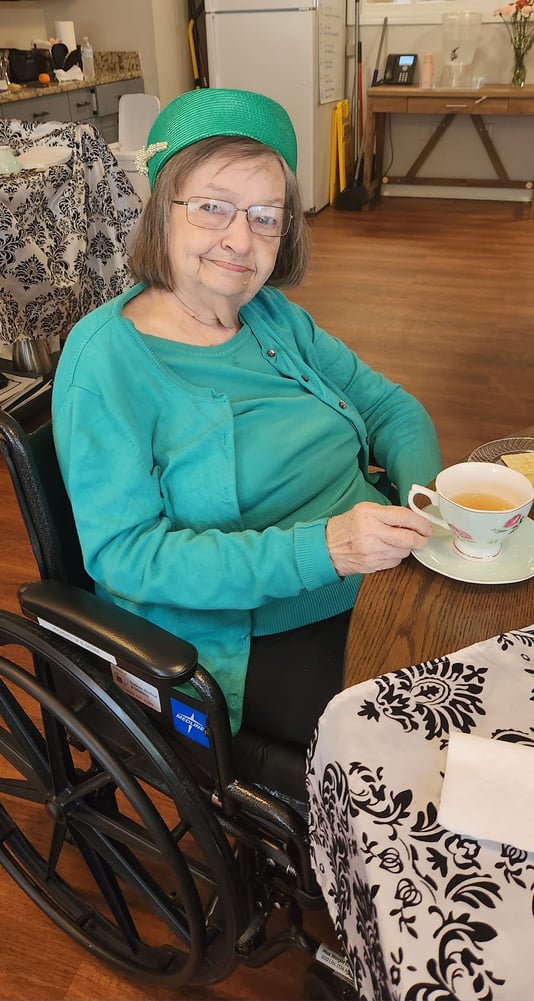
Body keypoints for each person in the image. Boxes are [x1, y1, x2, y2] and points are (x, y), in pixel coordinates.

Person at [52, 88, 442, 746]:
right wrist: (328, 548)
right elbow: (127, 557)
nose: (241, 239)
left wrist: (424, 503)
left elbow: (390, 408)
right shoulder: (106, 363)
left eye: (266, 216)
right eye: (213, 207)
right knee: (428, 740)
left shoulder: (271, 315)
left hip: (383, 567)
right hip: (256, 632)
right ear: (161, 208)